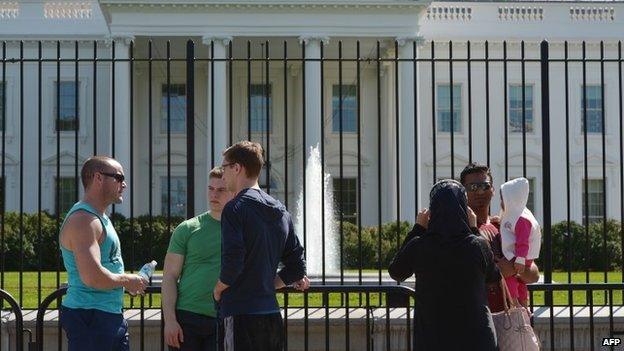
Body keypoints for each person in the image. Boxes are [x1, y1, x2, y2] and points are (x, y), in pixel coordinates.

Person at [213, 141, 309, 351]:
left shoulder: (235, 208)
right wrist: (266, 285)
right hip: (271, 316)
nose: (222, 176)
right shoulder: (281, 211)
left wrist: (218, 290)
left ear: (237, 168)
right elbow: (297, 267)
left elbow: (233, 263)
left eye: (224, 169)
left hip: (240, 314)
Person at [388, 179, 499, 350]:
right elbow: (492, 274)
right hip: (476, 337)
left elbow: (397, 271)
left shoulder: (420, 245)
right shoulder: (476, 245)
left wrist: (418, 228)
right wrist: (474, 230)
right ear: (464, 209)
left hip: (433, 336)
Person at [59, 156, 148, 351]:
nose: (123, 184)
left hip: (103, 316)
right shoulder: (83, 220)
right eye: (118, 177)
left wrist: (128, 283)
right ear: (98, 178)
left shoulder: (99, 217)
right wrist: (127, 281)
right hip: (91, 317)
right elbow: (92, 277)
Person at [163, 167, 233, 351]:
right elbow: (170, 276)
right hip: (187, 317)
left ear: (232, 191)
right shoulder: (187, 229)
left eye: (220, 189)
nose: (214, 194)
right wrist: (170, 321)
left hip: (225, 317)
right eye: (210, 189)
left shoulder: (241, 229)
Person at [460, 162, 540, 312]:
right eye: (473, 187)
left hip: (513, 319)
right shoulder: (460, 229)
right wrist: (504, 269)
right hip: (478, 315)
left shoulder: (504, 226)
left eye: (485, 186)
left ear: (493, 190)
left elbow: (533, 274)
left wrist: (512, 268)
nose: (479, 192)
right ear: (463, 191)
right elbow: (464, 275)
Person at [499, 177, 542, 308]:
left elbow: (523, 241)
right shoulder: (516, 213)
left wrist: (520, 259)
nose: (501, 202)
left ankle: (515, 303)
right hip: (520, 257)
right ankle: (524, 304)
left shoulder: (522, 219)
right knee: (519, 281)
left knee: (510, 277)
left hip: (520, 257)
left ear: (512, 199)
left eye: (504, 199)